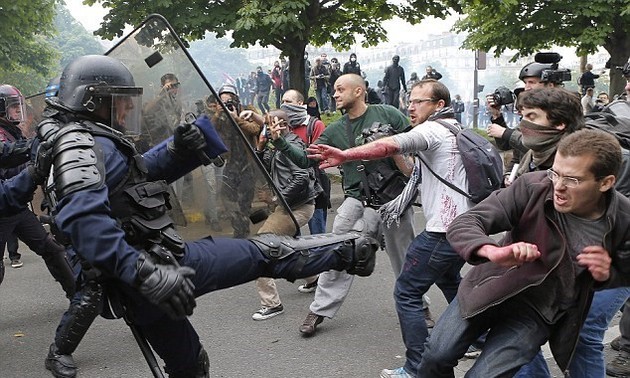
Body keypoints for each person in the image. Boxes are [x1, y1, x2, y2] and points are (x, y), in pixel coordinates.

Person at [40, 54, 380, 378]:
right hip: (151, 267)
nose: (130, 107)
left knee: (189, 364)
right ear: (93, 100)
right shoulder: (81, 145)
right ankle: (351, 250)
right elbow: (84, 222)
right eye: (122, 98)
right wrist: (145, 273)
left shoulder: (82, 140)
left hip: (140, 276)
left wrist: (178, 149)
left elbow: (133, 181)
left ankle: (349, 251)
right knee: (263, 252)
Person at [416, 128, 630, 377]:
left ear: (606, 182)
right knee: (436, 356)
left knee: (485, 375)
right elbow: (467, 222)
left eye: (573, 180)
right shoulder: (534, 186)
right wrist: (491, 251)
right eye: (555, 174)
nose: (558, 187)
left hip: (539, 310)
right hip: (490, 288)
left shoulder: (623, 218)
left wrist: (610, 272)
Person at [310, 79, 472, 378]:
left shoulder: (431, 129)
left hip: (441, 228)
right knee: (450, 280)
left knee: (407, 290)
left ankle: (417, 368)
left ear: (439, 105)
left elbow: (391, 145)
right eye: (409, 100)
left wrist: (347, 155)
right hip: (460, 225)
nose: (411, 106)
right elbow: (412, 170)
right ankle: (479, 337)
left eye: (418, 102)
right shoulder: (457, 129)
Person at [271, 74, 417, 337]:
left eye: (340, 90)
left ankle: (420, 307)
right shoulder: (335, 130)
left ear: (359, 91)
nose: (335, 94)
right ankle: (319, 309)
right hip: (356, 199)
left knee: (403, 258)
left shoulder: (388, 114)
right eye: (335, 90)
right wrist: (280, 141)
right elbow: (306, 160)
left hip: (393, 200)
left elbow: (415, 145)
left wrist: (398, 154)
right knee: (337, 251)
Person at [0, 84, 75, 296]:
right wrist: (36, 155)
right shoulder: (2, 135)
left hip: (16, 207)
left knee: (51, 249)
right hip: (2, 209)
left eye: (19, 106)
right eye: (13, 106)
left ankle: (78, 295)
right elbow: (9, 158)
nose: (18, 110)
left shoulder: (13, 132)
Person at [250, 109, 322, 320]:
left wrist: (275, 199)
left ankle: (271, 304)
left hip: (295, 207)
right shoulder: (277, 144)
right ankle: (313, 278)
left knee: (261, 246)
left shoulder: (293, 145)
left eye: (270, 124)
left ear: (282, 125)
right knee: (290, 246)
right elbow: (264, 169)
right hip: (289, 206)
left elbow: (301, 177)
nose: (267, 129)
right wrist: (260, 148)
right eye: (266, 125)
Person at [214, 84, 261, 238]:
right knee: (227, 197)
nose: (228, 105)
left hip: (248, 163)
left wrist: (236, 119)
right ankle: (238, 227)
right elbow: (211, 132)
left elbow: (255, 129)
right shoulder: (220, 116)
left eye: (229, 101)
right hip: (231, 163)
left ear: (236, 99)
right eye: (223, 102)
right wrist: (217, 114)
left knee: (245, 202)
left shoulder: (248, 110)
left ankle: (243, 232)